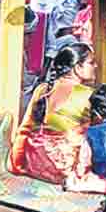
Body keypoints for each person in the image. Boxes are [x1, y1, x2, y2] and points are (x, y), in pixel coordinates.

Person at [9, 43, 98, 184]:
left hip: (35, 162)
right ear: (77, 67)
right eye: (91, 63)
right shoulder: (88, 95)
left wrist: (17, 163)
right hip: (64, 168)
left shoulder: (42, 89)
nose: (95, 66)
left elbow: (25, 128)